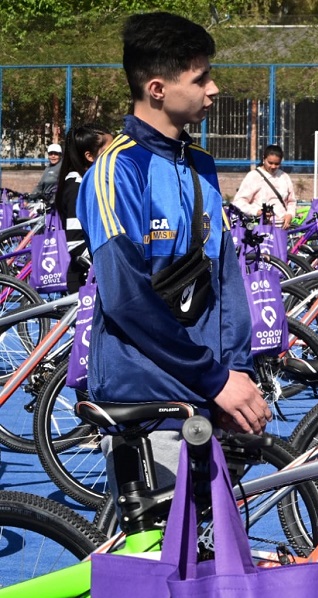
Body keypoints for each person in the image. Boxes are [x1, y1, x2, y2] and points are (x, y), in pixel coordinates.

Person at [77, 12, 270, 489]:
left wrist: (236, 372)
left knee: (211, 554)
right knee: (157, 557)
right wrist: (216, 379)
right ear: (158, 89)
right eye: (200, 77)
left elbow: (224, 280)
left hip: (211, 391)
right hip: (152, 398)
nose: (214, 89)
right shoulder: (117, 169)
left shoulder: (200, 164)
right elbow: (125, 298)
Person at [53, 124, 114, 292]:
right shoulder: (76, 186)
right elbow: (75, 242)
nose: (117, 152)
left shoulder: (94, 181)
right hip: (84, 280)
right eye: (111, 148)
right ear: (89, 156)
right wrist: (108, 264)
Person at [232, 144, 297, 228]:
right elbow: (238, 202)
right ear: (264, 159)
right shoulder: (253, 176)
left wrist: (290, 214)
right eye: (270, 163)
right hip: (260, 228)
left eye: (277, 164)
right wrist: (257, 211)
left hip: (282, 227)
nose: (273, 166)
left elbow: (291, 201)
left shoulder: (284, 177)